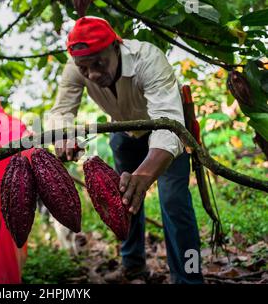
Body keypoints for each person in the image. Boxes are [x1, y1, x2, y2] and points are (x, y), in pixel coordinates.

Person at [47, 16, 203, 284]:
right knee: (123, 199)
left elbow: (169, 125)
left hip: (168, 132)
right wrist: (64, 137)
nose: (93, 74)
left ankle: (189, 278)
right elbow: (61, 111)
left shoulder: (148, 59)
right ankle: (132, 266)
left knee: (174, 201)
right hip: (123, 131)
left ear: (116, 47)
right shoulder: (75, 68)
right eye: (85, 68)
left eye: (99, 63)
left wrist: (144, 176)